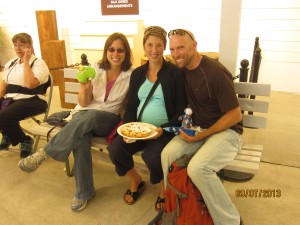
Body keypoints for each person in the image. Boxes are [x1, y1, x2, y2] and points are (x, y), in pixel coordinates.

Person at [18, 32, 134, 211]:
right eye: (111, 49)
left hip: (107, 119)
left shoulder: (131, 75)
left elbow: (129, 106)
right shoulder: (95, 68)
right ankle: (84, 193)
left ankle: (45, 153)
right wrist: (85, 89)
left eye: (120, 50)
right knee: (81, 138)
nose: (116, 54)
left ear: (126, 53)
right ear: (106, 51)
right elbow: (84, 103)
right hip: (83, 115)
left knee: (90, 117)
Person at [161, 29, 244, 225]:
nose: (175, 54)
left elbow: (235, 115)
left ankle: (231, 221)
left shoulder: (215, 72)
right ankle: (175, 210)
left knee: (198, 168)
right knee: (167, 154)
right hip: (199, 129)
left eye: (181, 47)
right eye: (172, 49)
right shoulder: (183, 71)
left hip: (228, 133)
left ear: (194, 45)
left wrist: (202, 135)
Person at [108, 26, 187, 210]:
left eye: (158, 45)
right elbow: (132, 106)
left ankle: (163, 189)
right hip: (139, 129)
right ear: (144, 46)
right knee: (116, 148)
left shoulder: (175, 74)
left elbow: (181, 110)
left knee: (153, 156)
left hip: (163, 131)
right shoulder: (137, 74)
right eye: (150, 45)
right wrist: (127, 129)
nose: (154, 50)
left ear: (164, 47)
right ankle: (136, 179)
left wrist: (163, 129)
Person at [0, 33, 50, 158]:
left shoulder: (39, 64)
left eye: (21, 45)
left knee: (5, 116)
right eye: (15, 45)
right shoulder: (11, 63)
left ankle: (25, 140)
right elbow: (4, 84)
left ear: (30, 47)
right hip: (12, 99)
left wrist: (26, 62)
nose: (17, 49)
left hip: (33, 100)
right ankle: (8, 133)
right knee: (3, 114)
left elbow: (29, 84)